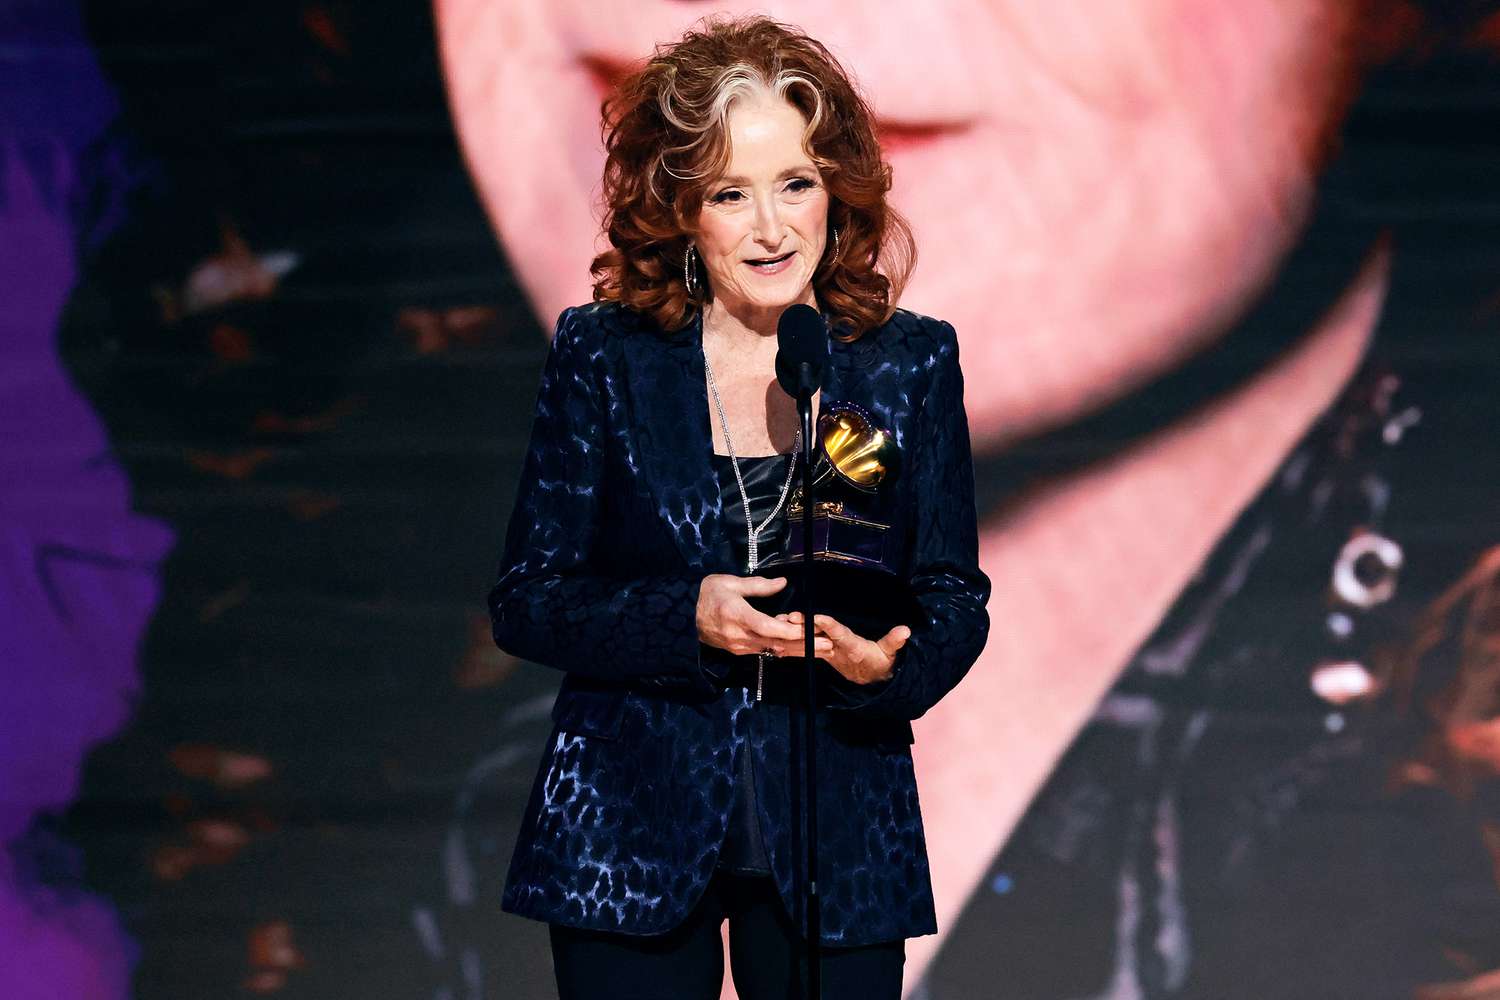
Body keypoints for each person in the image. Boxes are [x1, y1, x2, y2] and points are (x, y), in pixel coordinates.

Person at [485, 16, 990, 1000]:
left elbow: (953, 595)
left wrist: (887, 665)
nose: (772, 227)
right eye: (730, 193)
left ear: (834, 189)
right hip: (628, 821)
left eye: (795, 183)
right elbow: (530, 598)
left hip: (836, 814)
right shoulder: (606, 357)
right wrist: (686, 617)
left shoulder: (903, 365)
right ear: (682, 208)